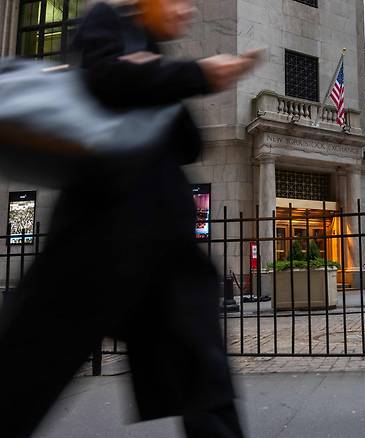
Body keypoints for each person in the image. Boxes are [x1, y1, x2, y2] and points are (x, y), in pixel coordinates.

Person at [0, 1, 260, 437]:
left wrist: (160, 76)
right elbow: (106, 79)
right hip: (98, 240)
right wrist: (193, 75)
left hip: (165, 253)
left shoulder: (150, 51)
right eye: (176, 1)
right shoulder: (107, 21)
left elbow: (190, 142)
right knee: (27, 372)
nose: (187, 10)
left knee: (204, 376)